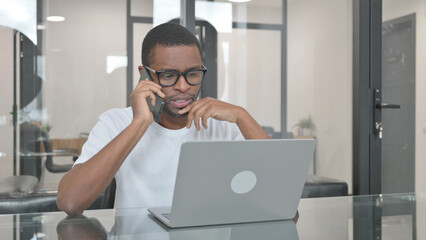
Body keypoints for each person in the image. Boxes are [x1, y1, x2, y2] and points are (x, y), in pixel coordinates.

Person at [57, 22, 270, 215]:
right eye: (169, 76)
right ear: (145, 75)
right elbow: (71, 202)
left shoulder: (224, 125)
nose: (184, 86)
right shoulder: (116, 122)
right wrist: (140, 122)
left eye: (193, 74)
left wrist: (242, 115)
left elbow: (281, 194)